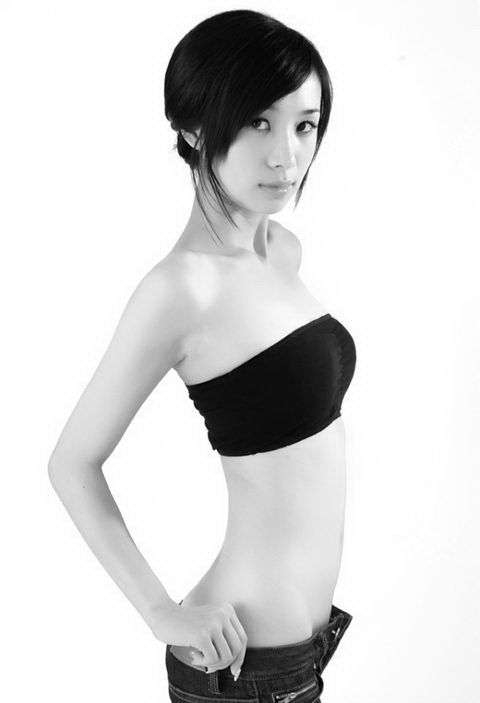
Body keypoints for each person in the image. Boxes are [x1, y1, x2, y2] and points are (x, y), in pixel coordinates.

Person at [48, 9, 357, 703]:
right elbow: (71, 462)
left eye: (305, 125)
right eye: (257, 122)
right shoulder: (179, 289)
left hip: (302, 655)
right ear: (193, 130)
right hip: (242, 669)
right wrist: (160, 610)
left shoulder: (283, 251)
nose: (286, 157)